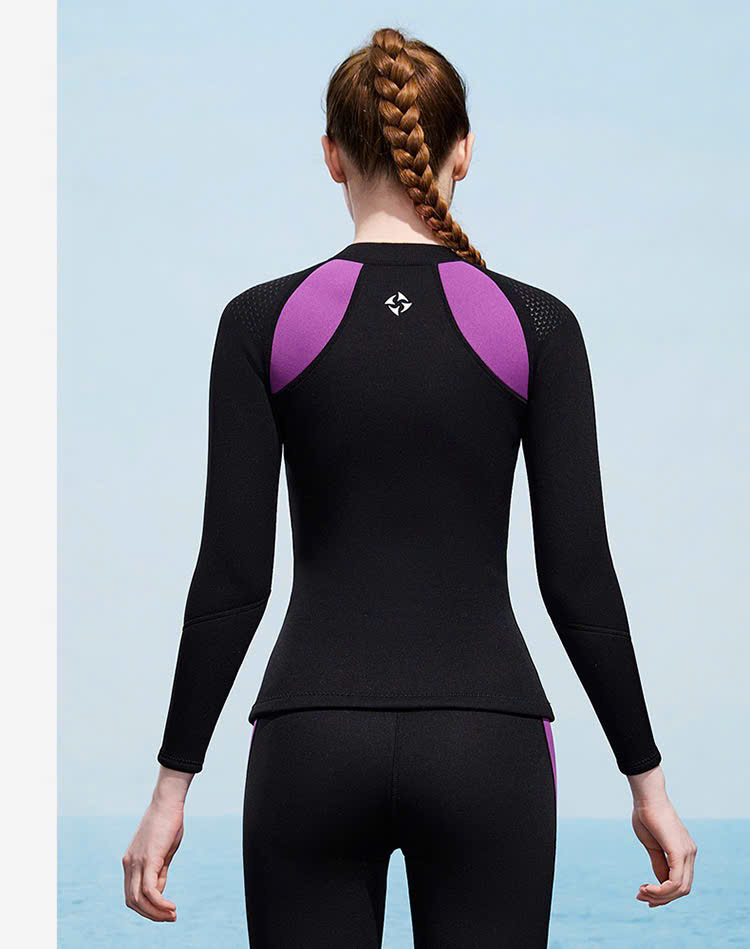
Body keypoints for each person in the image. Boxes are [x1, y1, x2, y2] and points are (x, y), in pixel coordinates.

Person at [122, 27, 696, 948]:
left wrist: (170, 788)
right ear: (463, 150)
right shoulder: (536, 324)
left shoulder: (261, 321)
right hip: (489, 743)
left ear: (331, 156)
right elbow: (578, 578)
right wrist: (647, 782)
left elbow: (231, 577)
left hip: (309, 742)